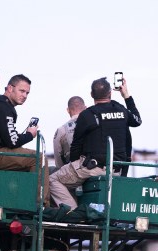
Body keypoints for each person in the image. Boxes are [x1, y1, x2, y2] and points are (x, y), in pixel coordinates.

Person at [49, 76, 142, 209]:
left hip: (92, 169)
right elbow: (137, 120)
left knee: (52, 179)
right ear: (110, 93)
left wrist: (75, 166)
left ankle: (73, 213)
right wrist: (126, 95)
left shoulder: (87, 115)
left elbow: (76, 147)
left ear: (91, 95)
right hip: (116, 171)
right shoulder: (121, 109)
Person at [0, 74, 50, 206]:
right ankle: (41, 206)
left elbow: (7, 136)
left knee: (28, 158)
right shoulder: (4, 107)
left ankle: (21, 201)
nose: (25, 96)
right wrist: (30, 134)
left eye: (27, 93)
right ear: (10, 88)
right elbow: (12, 142)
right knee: (39, 159)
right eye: (22, 91)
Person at [52, 96, 86, 169]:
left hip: (72, 170)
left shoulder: (61, 130)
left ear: (68, 110)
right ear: (85, 108)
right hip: (94, 167)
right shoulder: (94, 124)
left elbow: (58, 160)